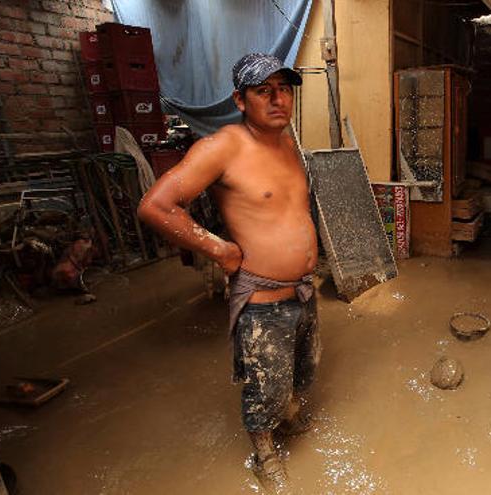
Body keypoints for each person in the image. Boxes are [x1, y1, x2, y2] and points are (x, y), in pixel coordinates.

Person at [138, 53, 319, 493]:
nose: (278, 99)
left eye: (285, 89)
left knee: (300, 373)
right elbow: (155, 206)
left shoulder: (288, 143)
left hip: (303, 292)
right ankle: (265, 454)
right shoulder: (223, 146)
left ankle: (289, 417)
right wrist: (219, 249)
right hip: (263, 301)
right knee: (264, 390)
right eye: (264, 91)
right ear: (240, 99)